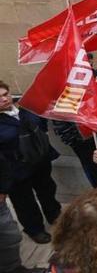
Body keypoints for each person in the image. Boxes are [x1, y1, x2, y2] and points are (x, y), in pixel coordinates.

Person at [0, 81, 60, 244]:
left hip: (39, 162)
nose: (4, 99)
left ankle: (55, 216)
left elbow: (40, 122)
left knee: (47, 190)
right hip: (15, 169)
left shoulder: (23, 108)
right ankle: (34, 229)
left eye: (5, 94)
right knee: (24, 202)